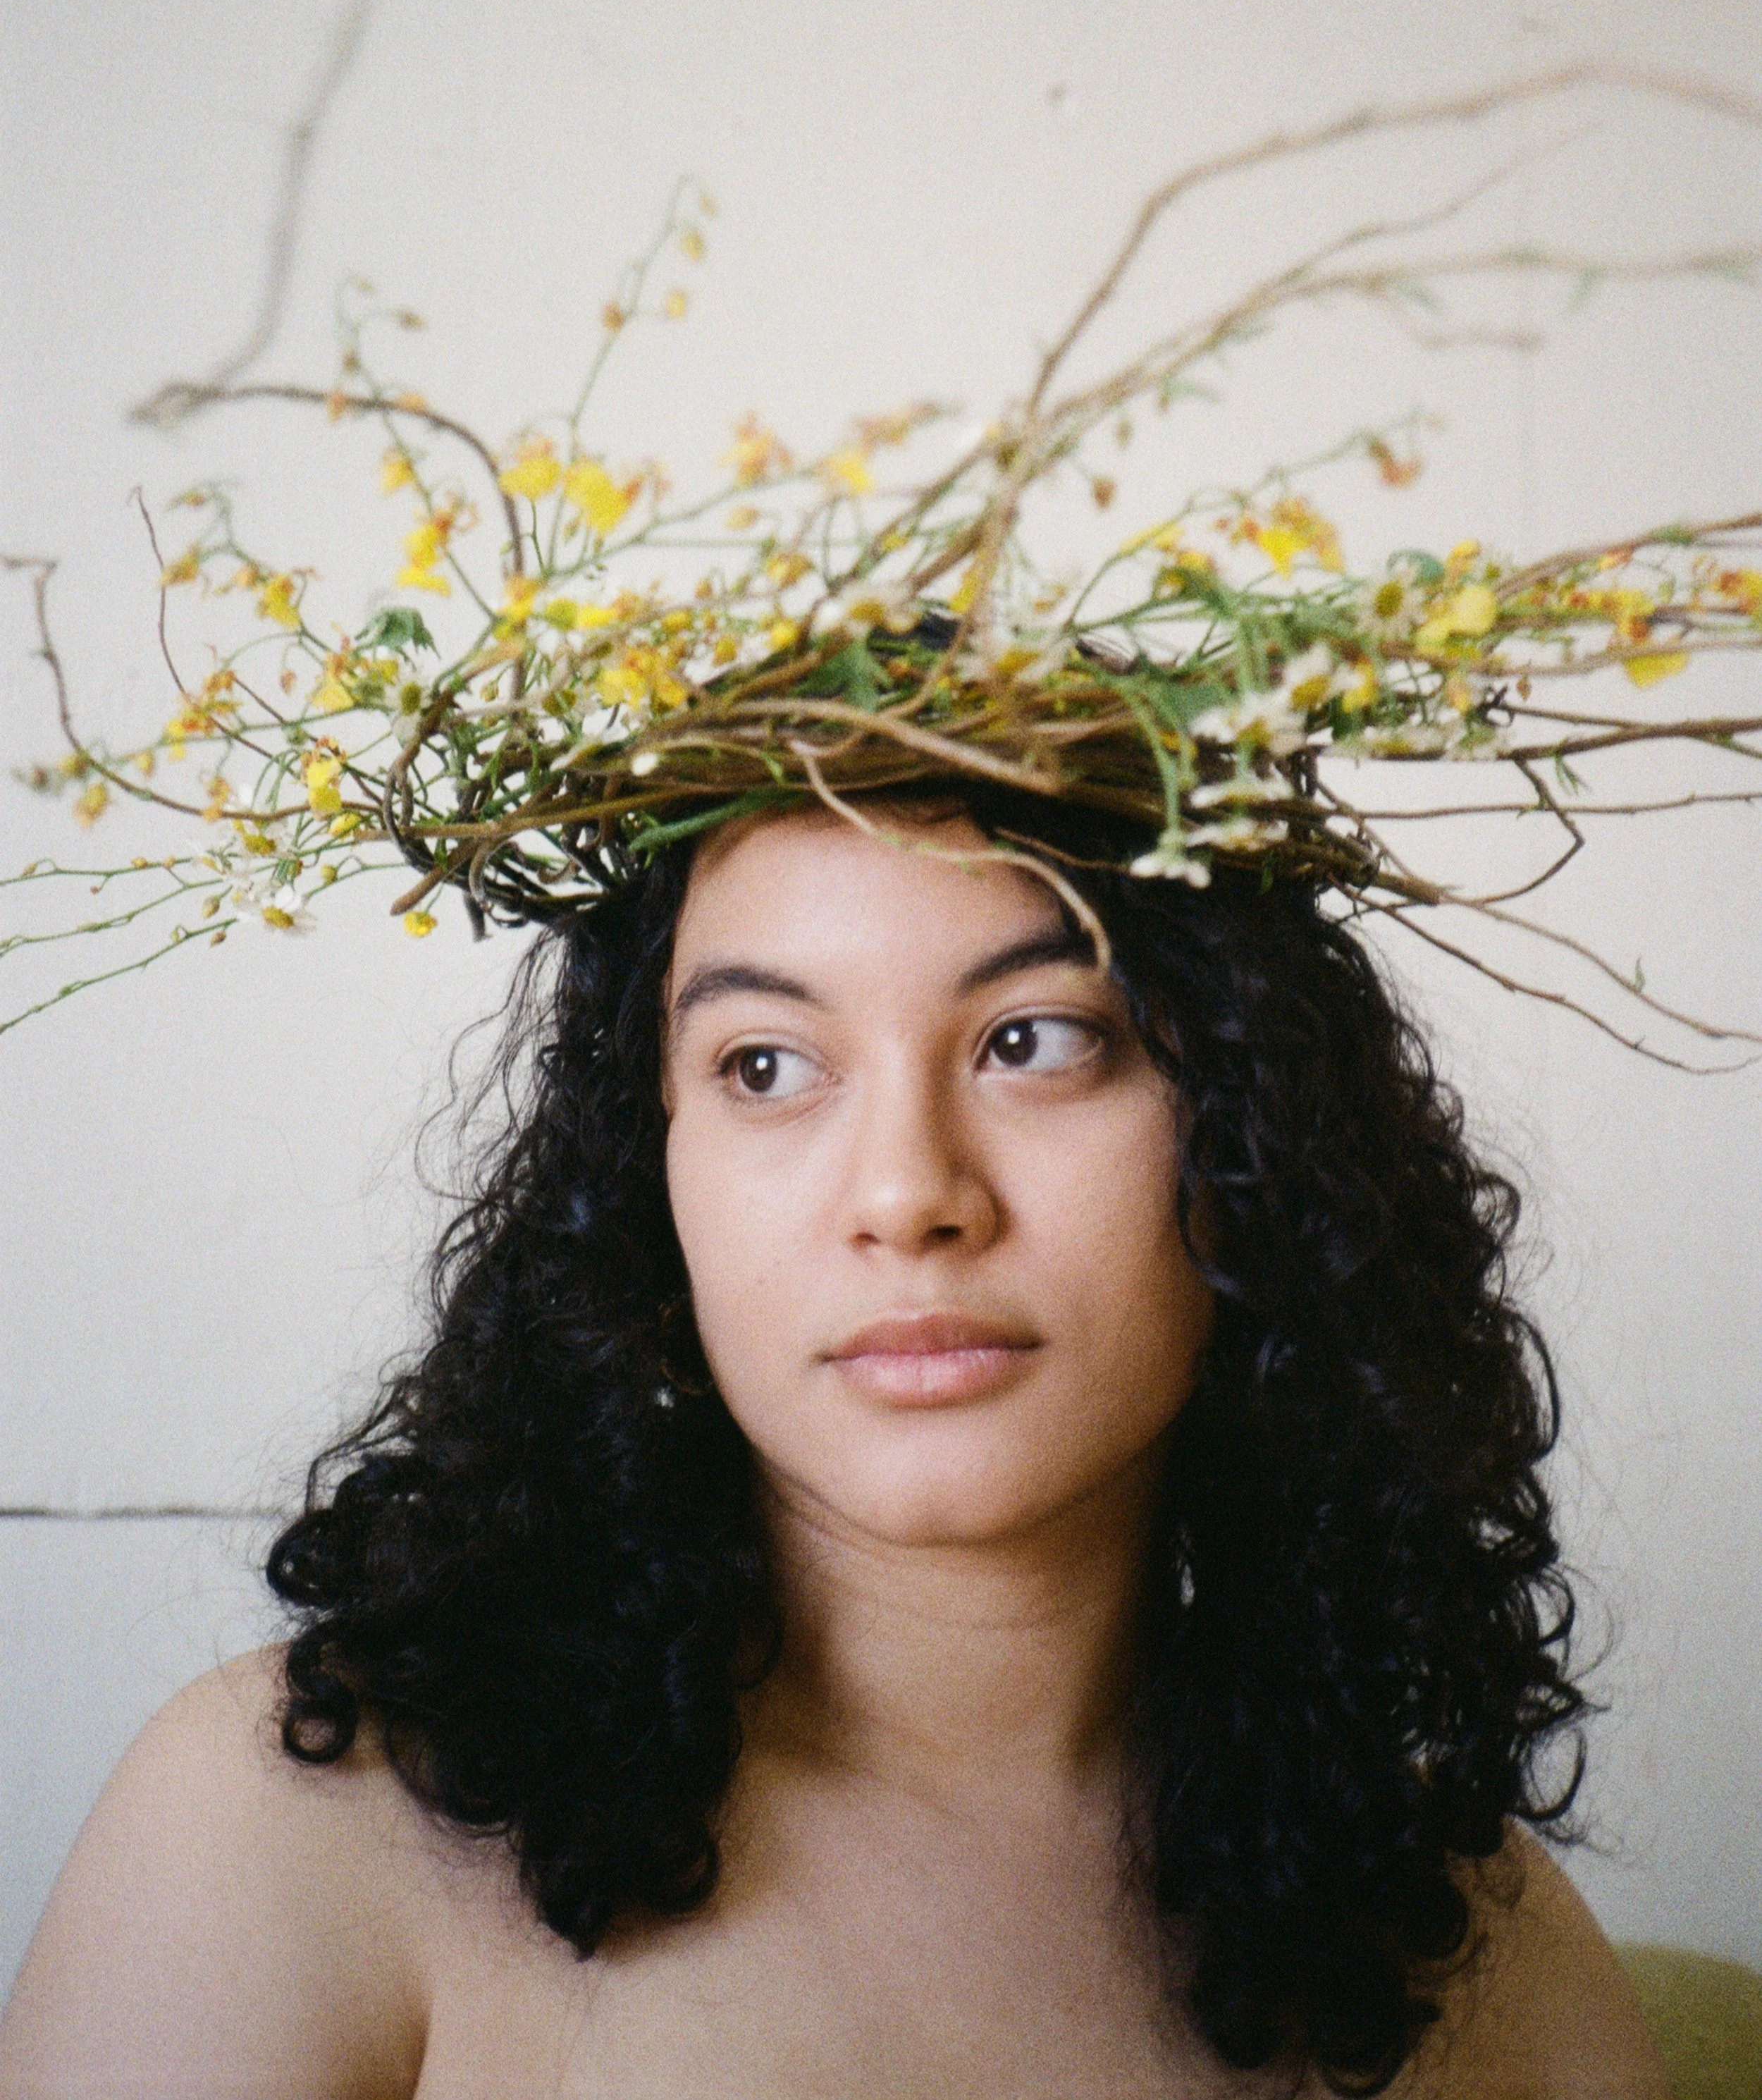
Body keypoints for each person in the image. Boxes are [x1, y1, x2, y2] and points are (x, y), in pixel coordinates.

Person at [0, 786, 1670, 2096]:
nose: (903, 1195)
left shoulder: (1481, 1968)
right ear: (647, 1182)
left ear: (1253, 1133)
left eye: (1036, 1038)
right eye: (766, 1064)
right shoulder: (291, 1843)